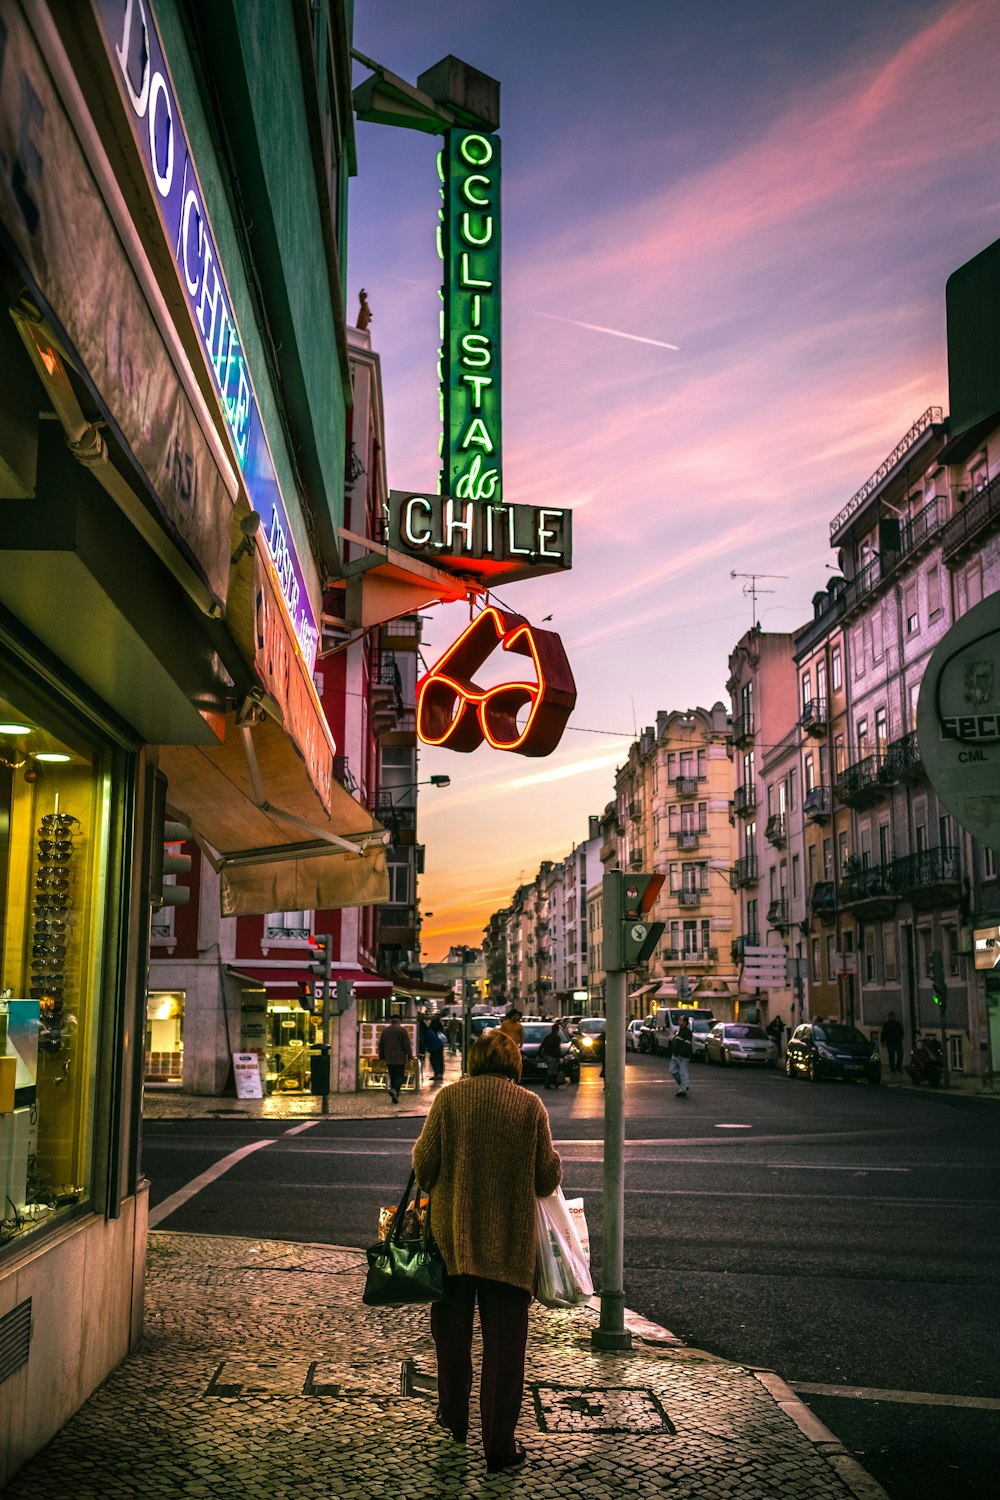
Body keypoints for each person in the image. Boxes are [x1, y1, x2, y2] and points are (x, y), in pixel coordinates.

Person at [413, 1028, 561, 1474]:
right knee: (505, 1349)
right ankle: (499, 1445)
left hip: (452, 1244)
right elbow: (546, 1178)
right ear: (515, 1065)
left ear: (473, 1061)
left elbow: (424, 1167)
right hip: (510, 1248)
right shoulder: (530, 1105)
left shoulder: (449, 1100)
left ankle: (455, 1420)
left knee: (451, 1339)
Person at [378, 1016, 412, 1103]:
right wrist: (410, 1055)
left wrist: (381, 1057)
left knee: (392, 1077)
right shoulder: (402, 1030)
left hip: (389, 1058)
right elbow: (406, 1044)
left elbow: (381, 1044)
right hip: (400, 1058)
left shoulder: (386, 1030)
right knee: (399, 1077)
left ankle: (395, 1095)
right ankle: (395, 1090)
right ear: (399, 1021)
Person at [668, 1017, 694, 1097]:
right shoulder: (679, 1031)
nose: (679, 1021)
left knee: (683, 1072)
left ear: (685, 1022)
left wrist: (682, 1053)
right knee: (672, 1071)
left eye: (680, 1020)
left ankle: (683, 1090)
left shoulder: (687, 1032)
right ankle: (684, 1085)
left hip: (682, 1056)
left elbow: (687, 1044)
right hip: (675, 1054)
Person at [537, 1020, 564, 1089]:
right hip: (552, 1055)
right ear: (557, 1030)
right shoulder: (557, 1038)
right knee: (552, 1070)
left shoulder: (548, 1037)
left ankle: (554, 1084)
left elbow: (542, 1045)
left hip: (547, 1055)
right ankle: (548, 1084)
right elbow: (557, 1048)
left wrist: (539, 1054)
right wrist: (560, 1057)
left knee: (552, 1069)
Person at [426, 1014, 447, 1083]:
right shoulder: (439, 1024)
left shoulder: (432, 1025)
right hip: (438, 1043)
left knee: (434, 1059)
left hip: (435, 1044)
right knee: (439, 1059)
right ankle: (439, 1074)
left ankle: (437, 1074)